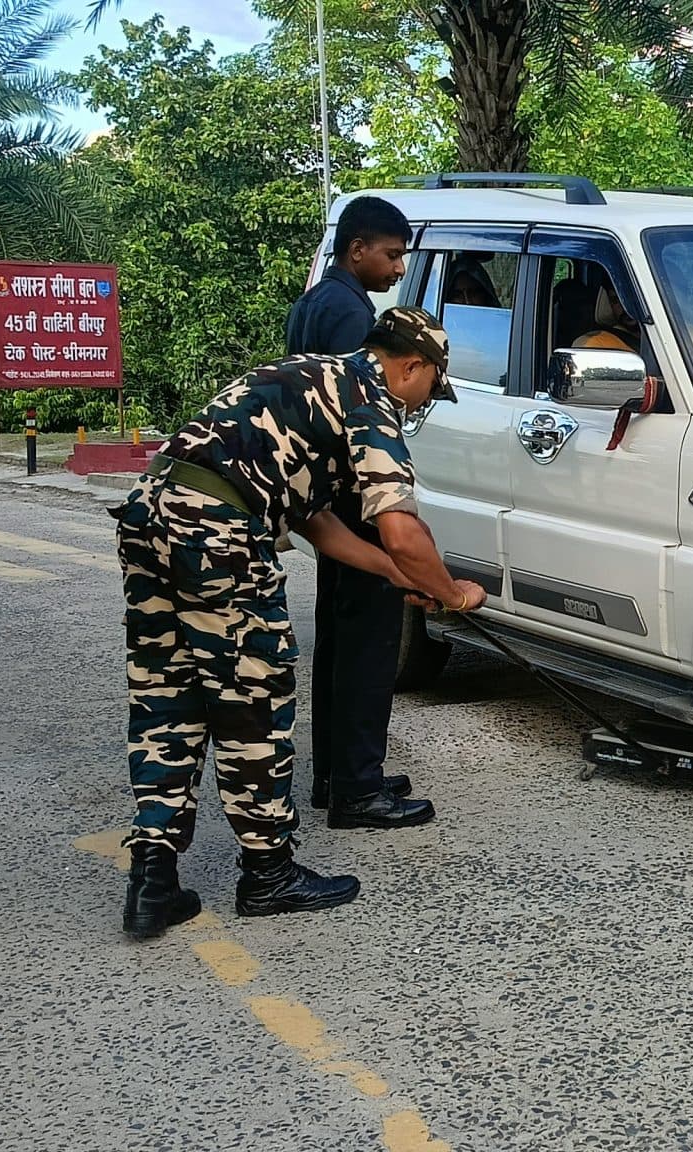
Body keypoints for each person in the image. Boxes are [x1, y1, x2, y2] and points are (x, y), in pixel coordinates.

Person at [116, 306, 487, 940]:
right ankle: (268, 875)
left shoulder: (303, 376)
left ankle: (153, 880)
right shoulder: (373, 401)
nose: (427, 400)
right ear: (412, 366)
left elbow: (320, 524)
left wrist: (404, 580)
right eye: (431, 386)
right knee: (251, 701)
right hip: (219, 535)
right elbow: (402, 531)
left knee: (167, 699)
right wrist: (451, 592)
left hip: (152, 514)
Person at [284, 195, 435, 830]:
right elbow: (362, 417)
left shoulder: (314, 301)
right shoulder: (351, 316)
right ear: (358, 249)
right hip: (356, 501)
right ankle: (358, 790)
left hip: (324, 501)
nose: (399, 268)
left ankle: (336, 774)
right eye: (393, 254)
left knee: (339, 645)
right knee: (370, 646)